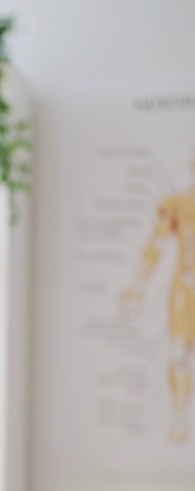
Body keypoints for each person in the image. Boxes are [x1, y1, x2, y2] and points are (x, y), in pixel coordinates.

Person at [121, 153, 195, 444]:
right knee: (180, 357)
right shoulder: (177, 204)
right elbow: (157, 242)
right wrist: (138, 285)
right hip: (185, 292)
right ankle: (180, 418)